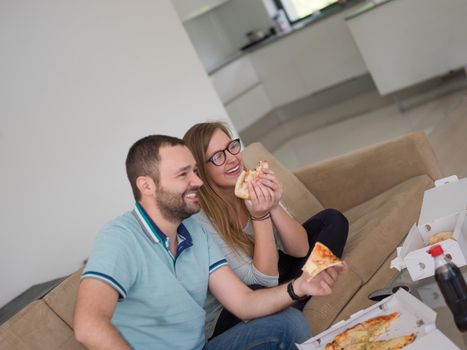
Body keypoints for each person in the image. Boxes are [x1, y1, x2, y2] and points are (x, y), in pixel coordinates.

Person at [73, 134, 346, 350]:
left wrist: (298, 287)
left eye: (194, 171)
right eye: (183, 174)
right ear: (147, 186)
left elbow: (244, 303)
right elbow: (87, 325)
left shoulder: (192, 231)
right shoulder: (120, 237)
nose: (197, 182)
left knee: (288, 322)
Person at [183, 122, 349, 339]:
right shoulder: (201, 222)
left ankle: (297, 294)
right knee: (260, 290)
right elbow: (260, 284)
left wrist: (273, 206)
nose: (232, 158)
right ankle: (295, 300)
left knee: (332, 220)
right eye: (217, 157)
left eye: (231, 147)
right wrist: (260, 216)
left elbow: (300, 249)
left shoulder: (251, 183)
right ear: (201, 172)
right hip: (235, 307)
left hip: (274, 275)